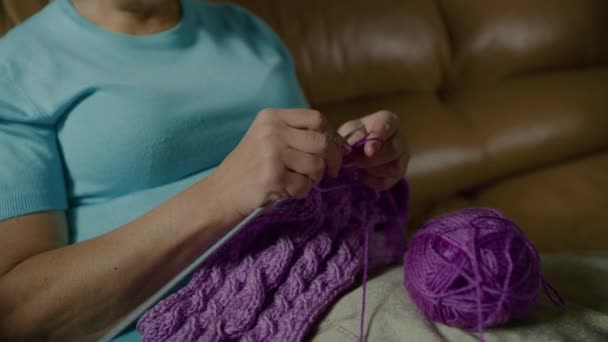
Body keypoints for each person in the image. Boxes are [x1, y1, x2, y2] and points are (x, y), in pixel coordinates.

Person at [0, 0, 409, 340]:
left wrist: (352, 156)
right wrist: (223, 194)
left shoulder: (248, 30)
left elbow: (303, 174)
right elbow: (18, 317)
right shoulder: (17, 68)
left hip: (332, 275)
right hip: (191, 324)